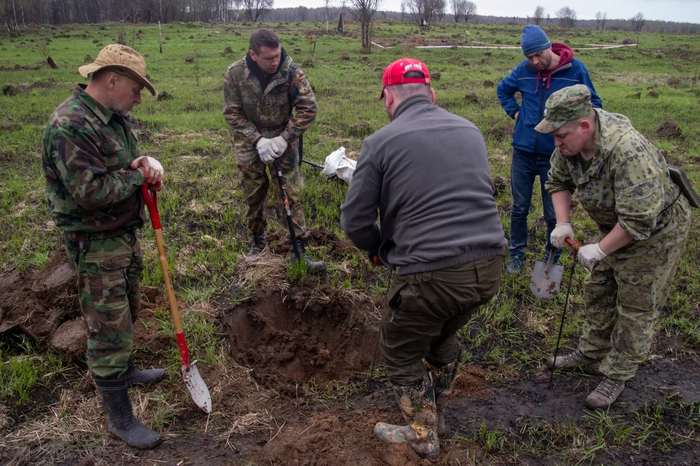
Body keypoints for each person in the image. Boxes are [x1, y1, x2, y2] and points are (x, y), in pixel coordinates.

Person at [340, 58, 506, 459]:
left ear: (389, 98)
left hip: (433, 274)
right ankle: (438, 415)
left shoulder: (380, 142)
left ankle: (422, 432)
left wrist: (379, 249)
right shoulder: (470, 130)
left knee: (399, 350)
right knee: (441, 336)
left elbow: (355, 221)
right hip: (490, 266)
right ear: (431, 94)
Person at [42, 45, 166, 449]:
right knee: (108, 327)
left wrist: (142, 167)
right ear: (111, 80)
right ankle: (120, 418)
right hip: (94, 241)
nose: (138, 97)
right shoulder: (69, 125)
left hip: (121, 234)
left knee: (127, 311)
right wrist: (136, 178)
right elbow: (90, 191)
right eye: (135, 89)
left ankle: (126, 369)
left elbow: (122, 165)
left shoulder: (112, 118)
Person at [540, 85, 691, 409]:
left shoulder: (627, 151)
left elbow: (639, 222)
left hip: (656, 232)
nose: (556, 142)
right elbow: (558, 181)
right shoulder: (569, 145)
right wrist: (563, 222)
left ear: (585, 125)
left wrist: (600, 249)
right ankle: (591, 352)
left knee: (635, 304)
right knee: (599, 287)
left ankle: (618, 373)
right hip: (614, 225)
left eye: (561, 134)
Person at [497, 25, 602, 273]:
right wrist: (515, 111)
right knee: (519, 208)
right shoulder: (523, 71)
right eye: (529, 57)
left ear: (548, 47)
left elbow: (594, 103)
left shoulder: (575, 70)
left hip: (555, 155)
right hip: (523, 151)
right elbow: (503, 89)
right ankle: (516, 255)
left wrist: (578, 131)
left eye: (537, 55)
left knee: (553, 212)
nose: (534, 61)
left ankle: (551, 257)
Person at [223, 28, 325, 273]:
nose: (274, 62)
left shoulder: (290, 71)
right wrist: (258, 140)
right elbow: (232, 113)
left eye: (277, 55)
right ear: (253, 55)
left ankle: (297, 249)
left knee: (291, 192)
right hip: (249, 142)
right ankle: (258, 242)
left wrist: (283, 138)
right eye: (269, 58)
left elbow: (308, 108)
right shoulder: (235, 73)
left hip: (283, 138)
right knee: (253, 191)